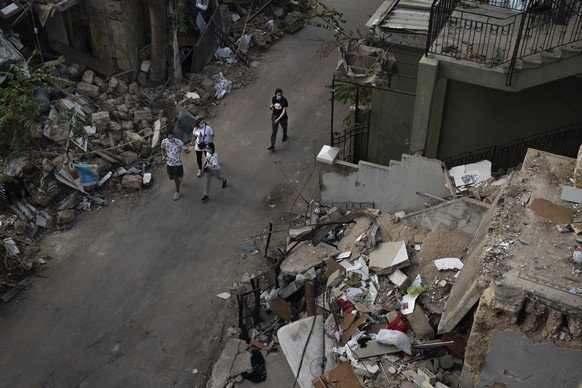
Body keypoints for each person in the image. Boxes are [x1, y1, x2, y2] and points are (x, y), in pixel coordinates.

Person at [161, 129, 191, 200]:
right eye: (169, 138)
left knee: (175, 178)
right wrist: (163, 155)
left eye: (172, 137)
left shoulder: (179, 142)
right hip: (169, 163)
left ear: (173, 136)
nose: (170, 139)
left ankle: (177, 192)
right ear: (166, 137)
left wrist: (189, 150)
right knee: (170, 177)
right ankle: (181, 175)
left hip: (177, 163)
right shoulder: (164, 142)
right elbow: (162, 148)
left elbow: (186, 151)